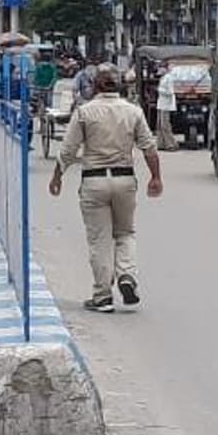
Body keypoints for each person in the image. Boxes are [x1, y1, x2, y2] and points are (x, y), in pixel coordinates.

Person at [50, 65, 163, 313]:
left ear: (96, 86)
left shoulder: (84, 112)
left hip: (94, 181)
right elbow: (149, 148)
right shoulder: (133, 112)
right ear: (119, 85)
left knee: (100, 239)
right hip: (124, 180)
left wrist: (57, 176)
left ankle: (102, 296)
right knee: (125, 233)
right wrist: (156, 177)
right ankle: (126, 275)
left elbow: (68, 150)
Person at [155, 67, 179, 151]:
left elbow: (170, 92)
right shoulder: (163, 78)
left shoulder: (169, 78)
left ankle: (171, 144)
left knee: (165, 125)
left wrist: (160, 90)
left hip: (166, 105)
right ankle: (161, 144)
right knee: (159, 125)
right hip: (161, 104)